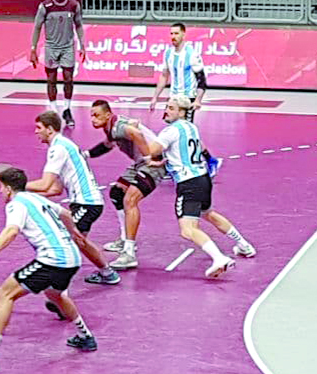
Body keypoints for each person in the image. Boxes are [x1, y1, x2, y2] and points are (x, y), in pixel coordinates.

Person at [0, 167, 98, 373]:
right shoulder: (36, 199)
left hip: (53, 260)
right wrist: (74, 232)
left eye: (0, 188)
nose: (0, 193)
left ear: (7, 189)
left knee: (4, 294)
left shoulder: (15, 204)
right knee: (55, 294)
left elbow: (12, 231)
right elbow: (66, 213)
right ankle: (86, 336)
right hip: (72, 258)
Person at [0, 111, 119, 287]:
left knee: (66, 241)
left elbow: (45, 185)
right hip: (85, 202)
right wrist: (22, 194)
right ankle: (105, 273)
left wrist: (13, 185)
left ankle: (60, 289)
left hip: (87, 202)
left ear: (50, 129)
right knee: (78, 239)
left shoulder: (58, 148)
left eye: (39, 128)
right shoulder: (63, 145)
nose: (36, 132)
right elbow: (55, 189)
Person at [140, 96, 256, 278]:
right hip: (203, 179)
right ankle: (243, 245)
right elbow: (184, 152)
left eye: (171, 108)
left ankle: (219, 258)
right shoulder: (192, 127)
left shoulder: (170, 131)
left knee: (188, 229)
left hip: (189, 184)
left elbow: (151, 150)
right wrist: (165, 163)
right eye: (167, 107)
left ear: (181, 112)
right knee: (208, 213)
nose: (166, 110)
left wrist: (140, 131)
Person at [86, 99, 166, 271]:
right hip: (140, 163)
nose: (93, 119)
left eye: (97, 115)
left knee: (130, 200)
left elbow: (135, 132)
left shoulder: (119, 126)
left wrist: (148, 159)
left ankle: (129, 253)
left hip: (154, 163)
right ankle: (124, 238)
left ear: (108, 115)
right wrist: (85, 154)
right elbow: (107, 146)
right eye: (91, 116)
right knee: (117, 192)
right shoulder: (110, 129)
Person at [148, 23, 222, 176]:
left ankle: (209, 159)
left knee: (185, 131)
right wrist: (155, 97)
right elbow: (164, 75)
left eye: (176, 34)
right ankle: (173, 163)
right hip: (173, 98)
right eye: (171, 34)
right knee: (172, 130)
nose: (173, 37)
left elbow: (202, 80)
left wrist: (198, 100)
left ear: (183, 35)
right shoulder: (168, 53)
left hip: (187, 99)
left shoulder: (191, 54)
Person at [30, 0, 85, 128]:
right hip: (51, 48)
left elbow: (79, 25)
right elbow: (37, 27)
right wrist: (33, 49)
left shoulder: (73, 5)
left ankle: (67, 109)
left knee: (68, 79)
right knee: (51, 80)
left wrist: (82, 44)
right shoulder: (45, 6)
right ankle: (54, 111)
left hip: (67, 47)